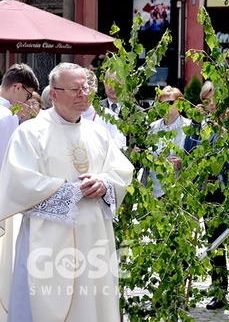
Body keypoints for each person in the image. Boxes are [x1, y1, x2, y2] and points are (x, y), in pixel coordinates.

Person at [0, 63, 134, 322]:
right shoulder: (30, 133)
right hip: (48, 243)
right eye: (75, 89)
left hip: (93, 238)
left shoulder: (98, 132)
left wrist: (105, 183)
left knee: (92, 304)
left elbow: (121, 171)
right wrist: (71, 191)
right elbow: (18, 184)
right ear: (56, 94)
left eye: (86, 88)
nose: (83, 94)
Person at [184, 81, 229, 310]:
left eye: (213, 98)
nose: (210, 104)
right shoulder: (205, 122)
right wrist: (196, 125)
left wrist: (219, 127)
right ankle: (218, 291)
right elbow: (190, 150)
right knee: (214, 244)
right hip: (210, 190)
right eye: (206, 101)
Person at [0, 64, 39, 318]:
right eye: (27, 95)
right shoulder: (5, 118)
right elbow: (7, 167)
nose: (26, 101)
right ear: (17, 87)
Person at [143, 86, 191, 198]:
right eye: (161, 102)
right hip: (153, 192)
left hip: (179, 190)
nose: (165, 106)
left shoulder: (189, 127)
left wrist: (183, 163)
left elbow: (197, 158)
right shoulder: (152, 127)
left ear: (179, 104)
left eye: (170, 102)